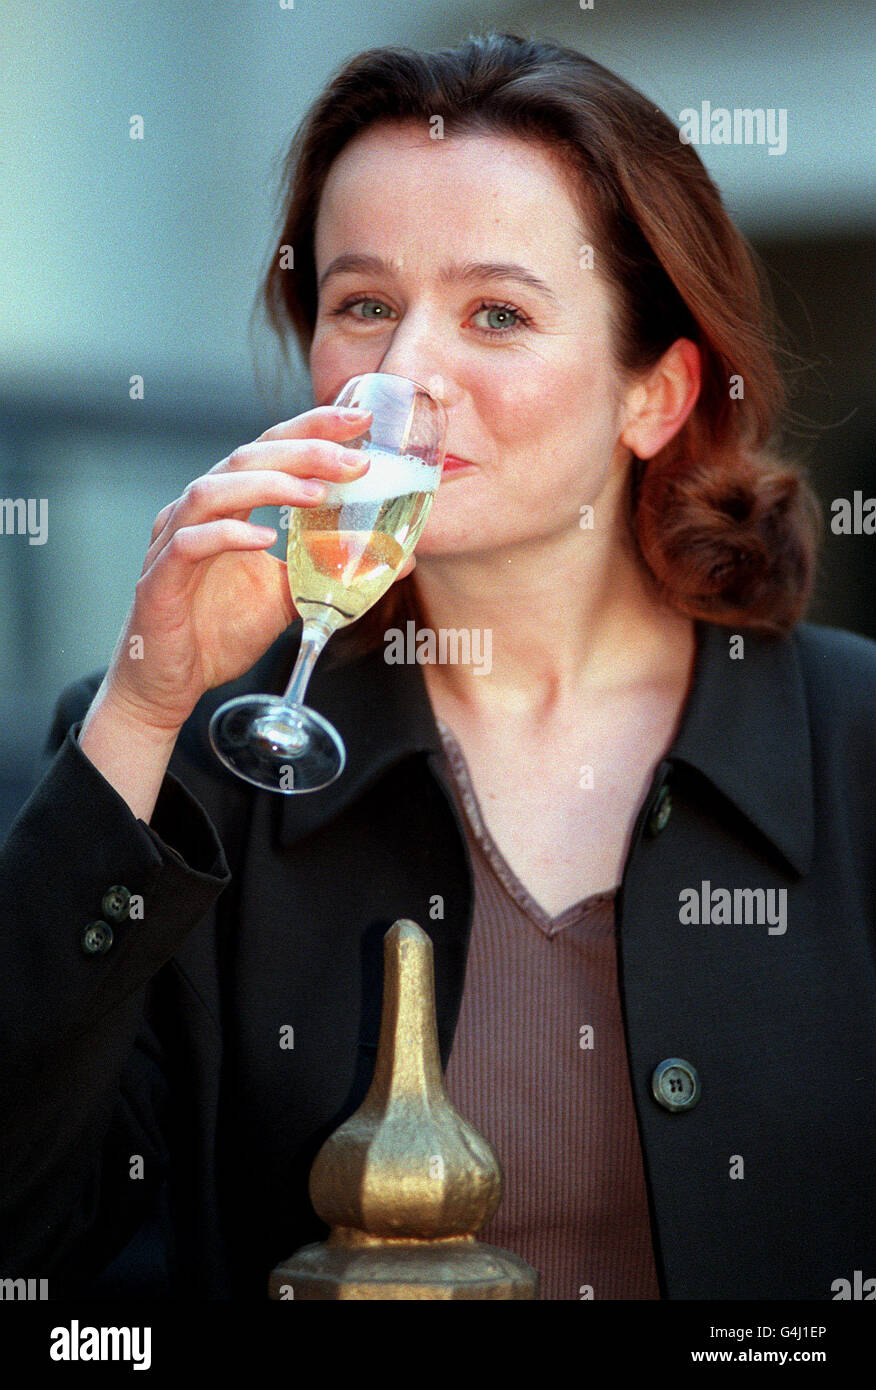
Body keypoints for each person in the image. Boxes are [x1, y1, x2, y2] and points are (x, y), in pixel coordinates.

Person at [1, 32, 874, 1302]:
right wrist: (142, 707)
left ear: (658, 394)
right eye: (364, 305)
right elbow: (30, 1245)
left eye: (498, 314)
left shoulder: (852, 744)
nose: (404, 374)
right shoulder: (189, 755)